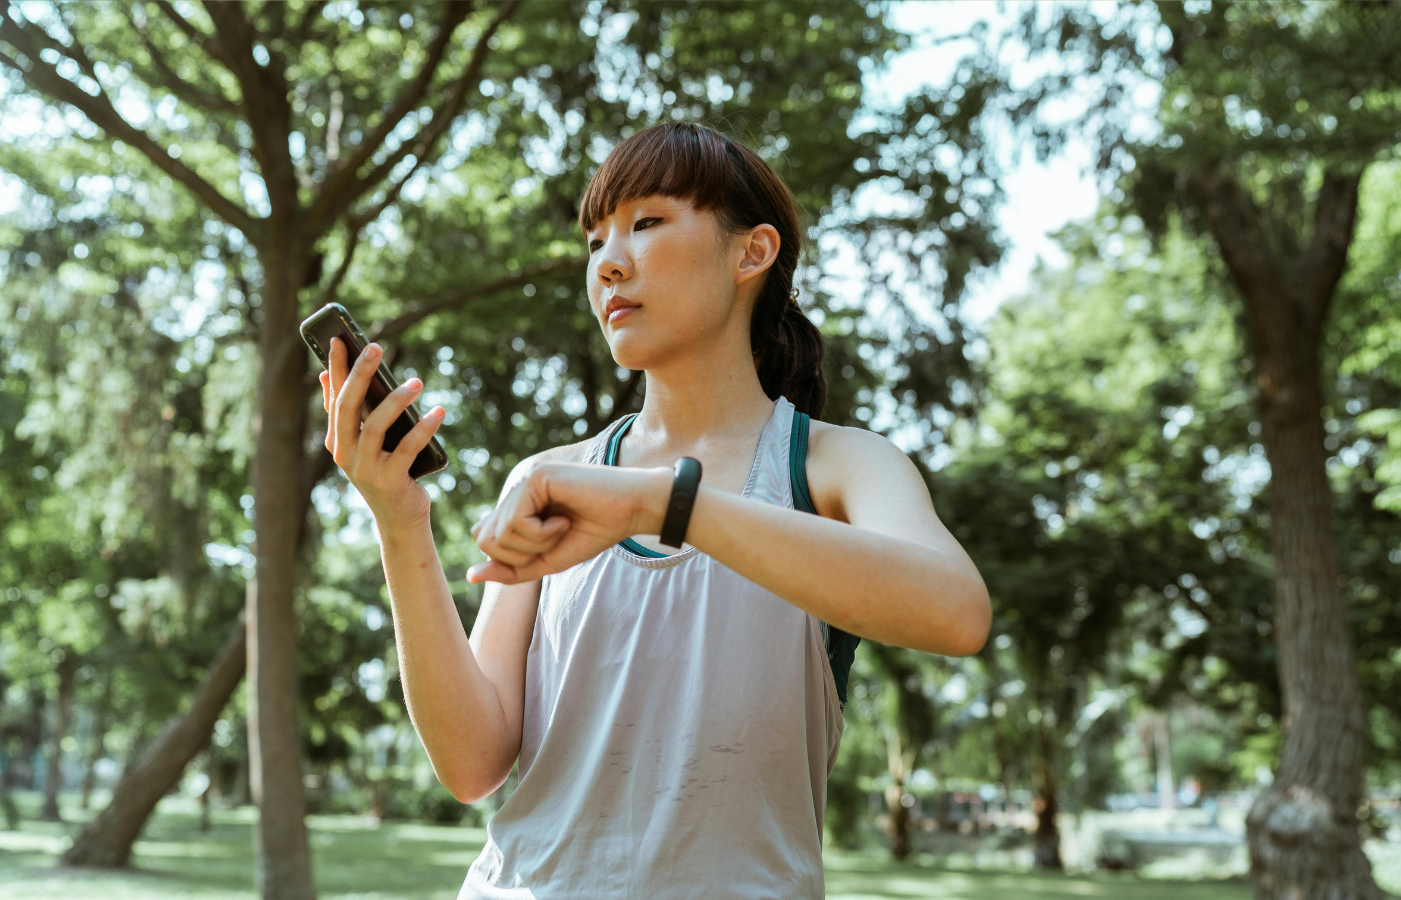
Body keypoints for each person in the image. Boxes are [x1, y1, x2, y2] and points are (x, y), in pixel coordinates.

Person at [318, 122, 991, 899]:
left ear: (751, 252)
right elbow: (472, 764)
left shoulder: (835, 465)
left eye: (645, 223)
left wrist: (663, 504)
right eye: (595, 239)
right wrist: (400, 522)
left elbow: (955, 611)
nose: (607, 261)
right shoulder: (548, 475)